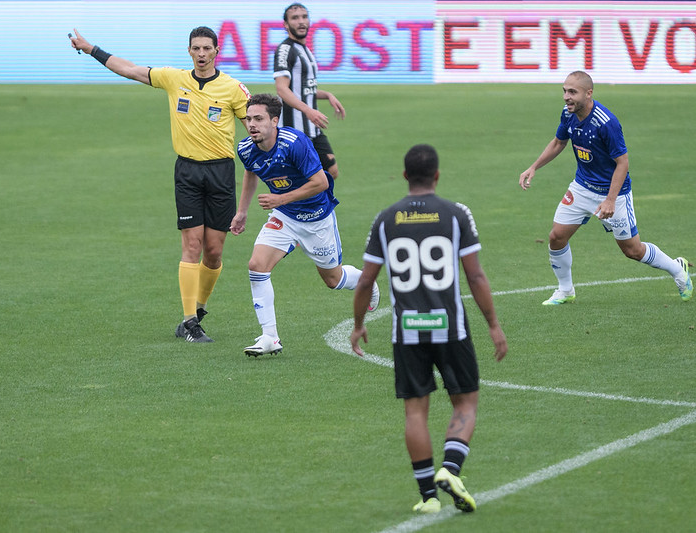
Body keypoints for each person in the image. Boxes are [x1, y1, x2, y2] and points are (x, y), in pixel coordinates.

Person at [350, 144, 507, 514]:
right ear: (437, 175)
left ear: (405, 176)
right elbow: (476, 274)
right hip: (450, 327)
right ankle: (451, 469)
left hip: (406, 331)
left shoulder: (385, 219)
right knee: (465, 400)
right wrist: (494, 324)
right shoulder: (455, 215)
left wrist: (358, 324)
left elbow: (365, 282)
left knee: (415, 413)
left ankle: (428, 499)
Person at [69, 27, 252, 342]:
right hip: (188, 173)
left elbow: (256, 127)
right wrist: (90, 48)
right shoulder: (174, 79)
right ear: (189, 51)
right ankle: (190, 322)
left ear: (217, 50)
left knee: (213, 251)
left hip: (221, 173)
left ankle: (199, 308)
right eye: (196, 48)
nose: (202, 54)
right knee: (191, 245)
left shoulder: (233, 89)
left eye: (207, 48)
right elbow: (129, 69)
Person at [519, 70, 692, 304]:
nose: (566, 97)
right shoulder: (568, 114)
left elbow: (623, 163)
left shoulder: (606, 123)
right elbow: (559, 141)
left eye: (572, 92)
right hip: (581, 188)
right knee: (557, 237)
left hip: (614, 193)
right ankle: (565, 290)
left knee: (633, 250)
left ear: (589, 93)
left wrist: (610, 199)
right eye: (564, 91)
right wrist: (534, 167)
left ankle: (677, 269)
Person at [230, 93, 378, 356]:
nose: (252, 124)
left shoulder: (295, 142)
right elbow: (251, 171)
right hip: (284, 217)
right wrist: (242, 212)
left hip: (316, 217)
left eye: (259, 119)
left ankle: (365, 280)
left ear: (274, 121)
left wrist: (280, 197)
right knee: (257, 265)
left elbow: (321, 182)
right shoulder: (245, 148)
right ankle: (270, 337)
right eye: (249, 118)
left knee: (333, 280)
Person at [274, 3, 346, 180]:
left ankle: (312, 205)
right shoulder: (285, 49)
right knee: (307, 178)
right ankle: (299, 206)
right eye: (295, 18)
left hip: (312, 128)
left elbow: (304, 88)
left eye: (304, 17)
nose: (301, 22)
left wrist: (327, 95)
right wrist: (307, 110)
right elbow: (282, 88)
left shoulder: (305, 50)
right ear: (286, 24)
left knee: (330, 172)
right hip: (294, 129)